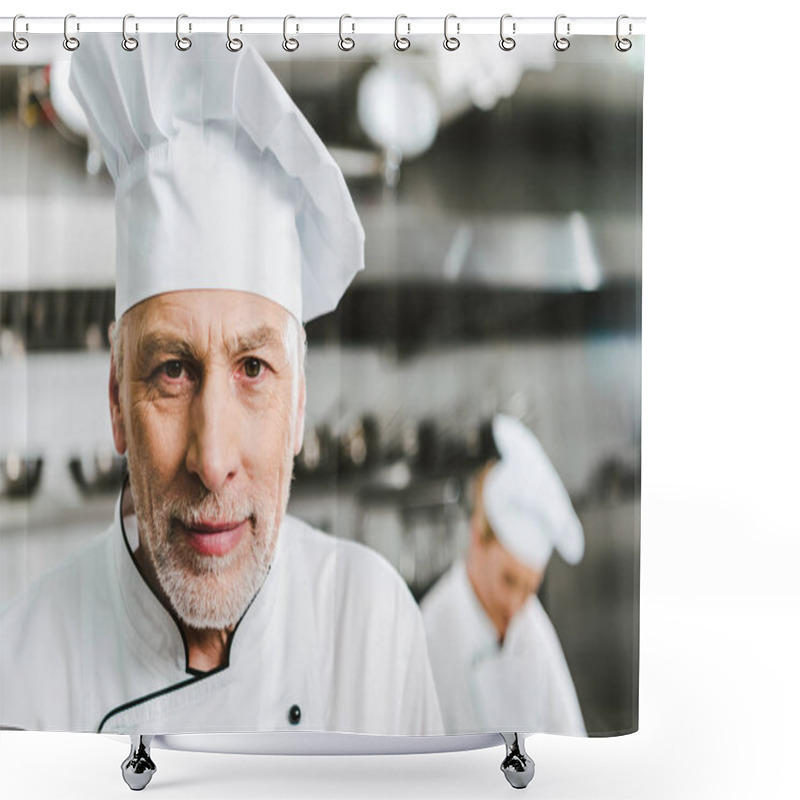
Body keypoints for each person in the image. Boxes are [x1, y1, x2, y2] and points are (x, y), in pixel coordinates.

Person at [0, 34, 442, 737]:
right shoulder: (18, 678)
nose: (212, 461)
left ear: (298, 406)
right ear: (117, 401)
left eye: (253, 370)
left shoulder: (374, 632)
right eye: (172, 371)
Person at [421, 414, 586, 735]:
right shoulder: (430, 635)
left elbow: (571, 740)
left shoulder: (533, 628)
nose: (515, 607)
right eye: (509, 580)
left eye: (529, 589)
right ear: (477, 538)